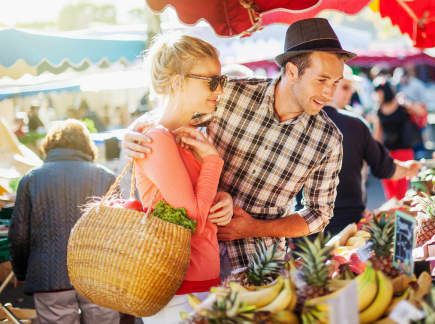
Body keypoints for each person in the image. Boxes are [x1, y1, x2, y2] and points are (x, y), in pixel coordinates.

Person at [124, 18, 353, 275]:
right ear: (291, 71)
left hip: (259, 264)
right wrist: (134, 132)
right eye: (321, 80)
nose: (329, 93)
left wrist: (255, 227)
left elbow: (319, 214)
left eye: (335, 82)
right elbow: (175, 114)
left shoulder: (328, 139)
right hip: (193, 255)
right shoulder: (231, 95)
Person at [135, 33, 232, 323]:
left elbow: (198, 204)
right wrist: (213, 161)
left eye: (221, 81)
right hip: (180, 292)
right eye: (211, 81)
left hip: (199, 285)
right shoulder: (158, 139)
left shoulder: (188, 137)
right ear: (177, 81)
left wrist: (223, 199)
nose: (219, 90)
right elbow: (192, 217)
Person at [9, 120, 120, 324]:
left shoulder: (31, 179)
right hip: (99, 277)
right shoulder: (106, 178)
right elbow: (119, 233)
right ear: (87, 146)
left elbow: (19, 234)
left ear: (49, 146)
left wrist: (21, 271)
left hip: (50, 278)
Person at [321, 66, 421, 235]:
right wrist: (409, 169)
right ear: (329, 86)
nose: (350, 93)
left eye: (351, 88)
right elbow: (385, 167)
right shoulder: (355, 124)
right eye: (345, 87)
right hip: (347, 222)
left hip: (304, 226)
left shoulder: (300, 122)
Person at [372, 82, 422, 200]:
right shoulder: (378, 110)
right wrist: (375, 154)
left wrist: (406, 102)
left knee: (401, 189)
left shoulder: (401, 105)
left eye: (378, 93)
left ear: (385, 92)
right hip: (388, 153)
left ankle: (399, 214)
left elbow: (420, 112)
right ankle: (393, 214)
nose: (376, 96)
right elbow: (377, 134)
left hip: (404, 151)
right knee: (389, 189)